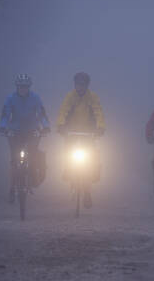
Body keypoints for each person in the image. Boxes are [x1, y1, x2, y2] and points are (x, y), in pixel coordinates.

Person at [0, 74, 50, 203]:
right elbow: (5, 115)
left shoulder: (35, 98)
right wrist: (3, 127)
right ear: (17, 87)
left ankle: (32, 178)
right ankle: (11, 189)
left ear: (29, 87)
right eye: (21, 86)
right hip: (15, 132)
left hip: (32, 131)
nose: (23, 89)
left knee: (32, 156)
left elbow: (42, 114)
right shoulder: (10, 99)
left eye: (25, 87)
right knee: (14, 161)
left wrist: (46, 126)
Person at [56, 72, 105, 208]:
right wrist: (60, 124)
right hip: (71, 132)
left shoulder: (92, 97)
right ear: (75, 85)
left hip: (88, 132)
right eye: (78, 84)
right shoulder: (70, 96)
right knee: (68, 151)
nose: (80, 87)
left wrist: (100, 127)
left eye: (83, 85)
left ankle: (88, 191)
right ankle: (68, 169)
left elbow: (98, 112)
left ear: (87, 85)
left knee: (91, 158)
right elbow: (63, 111)